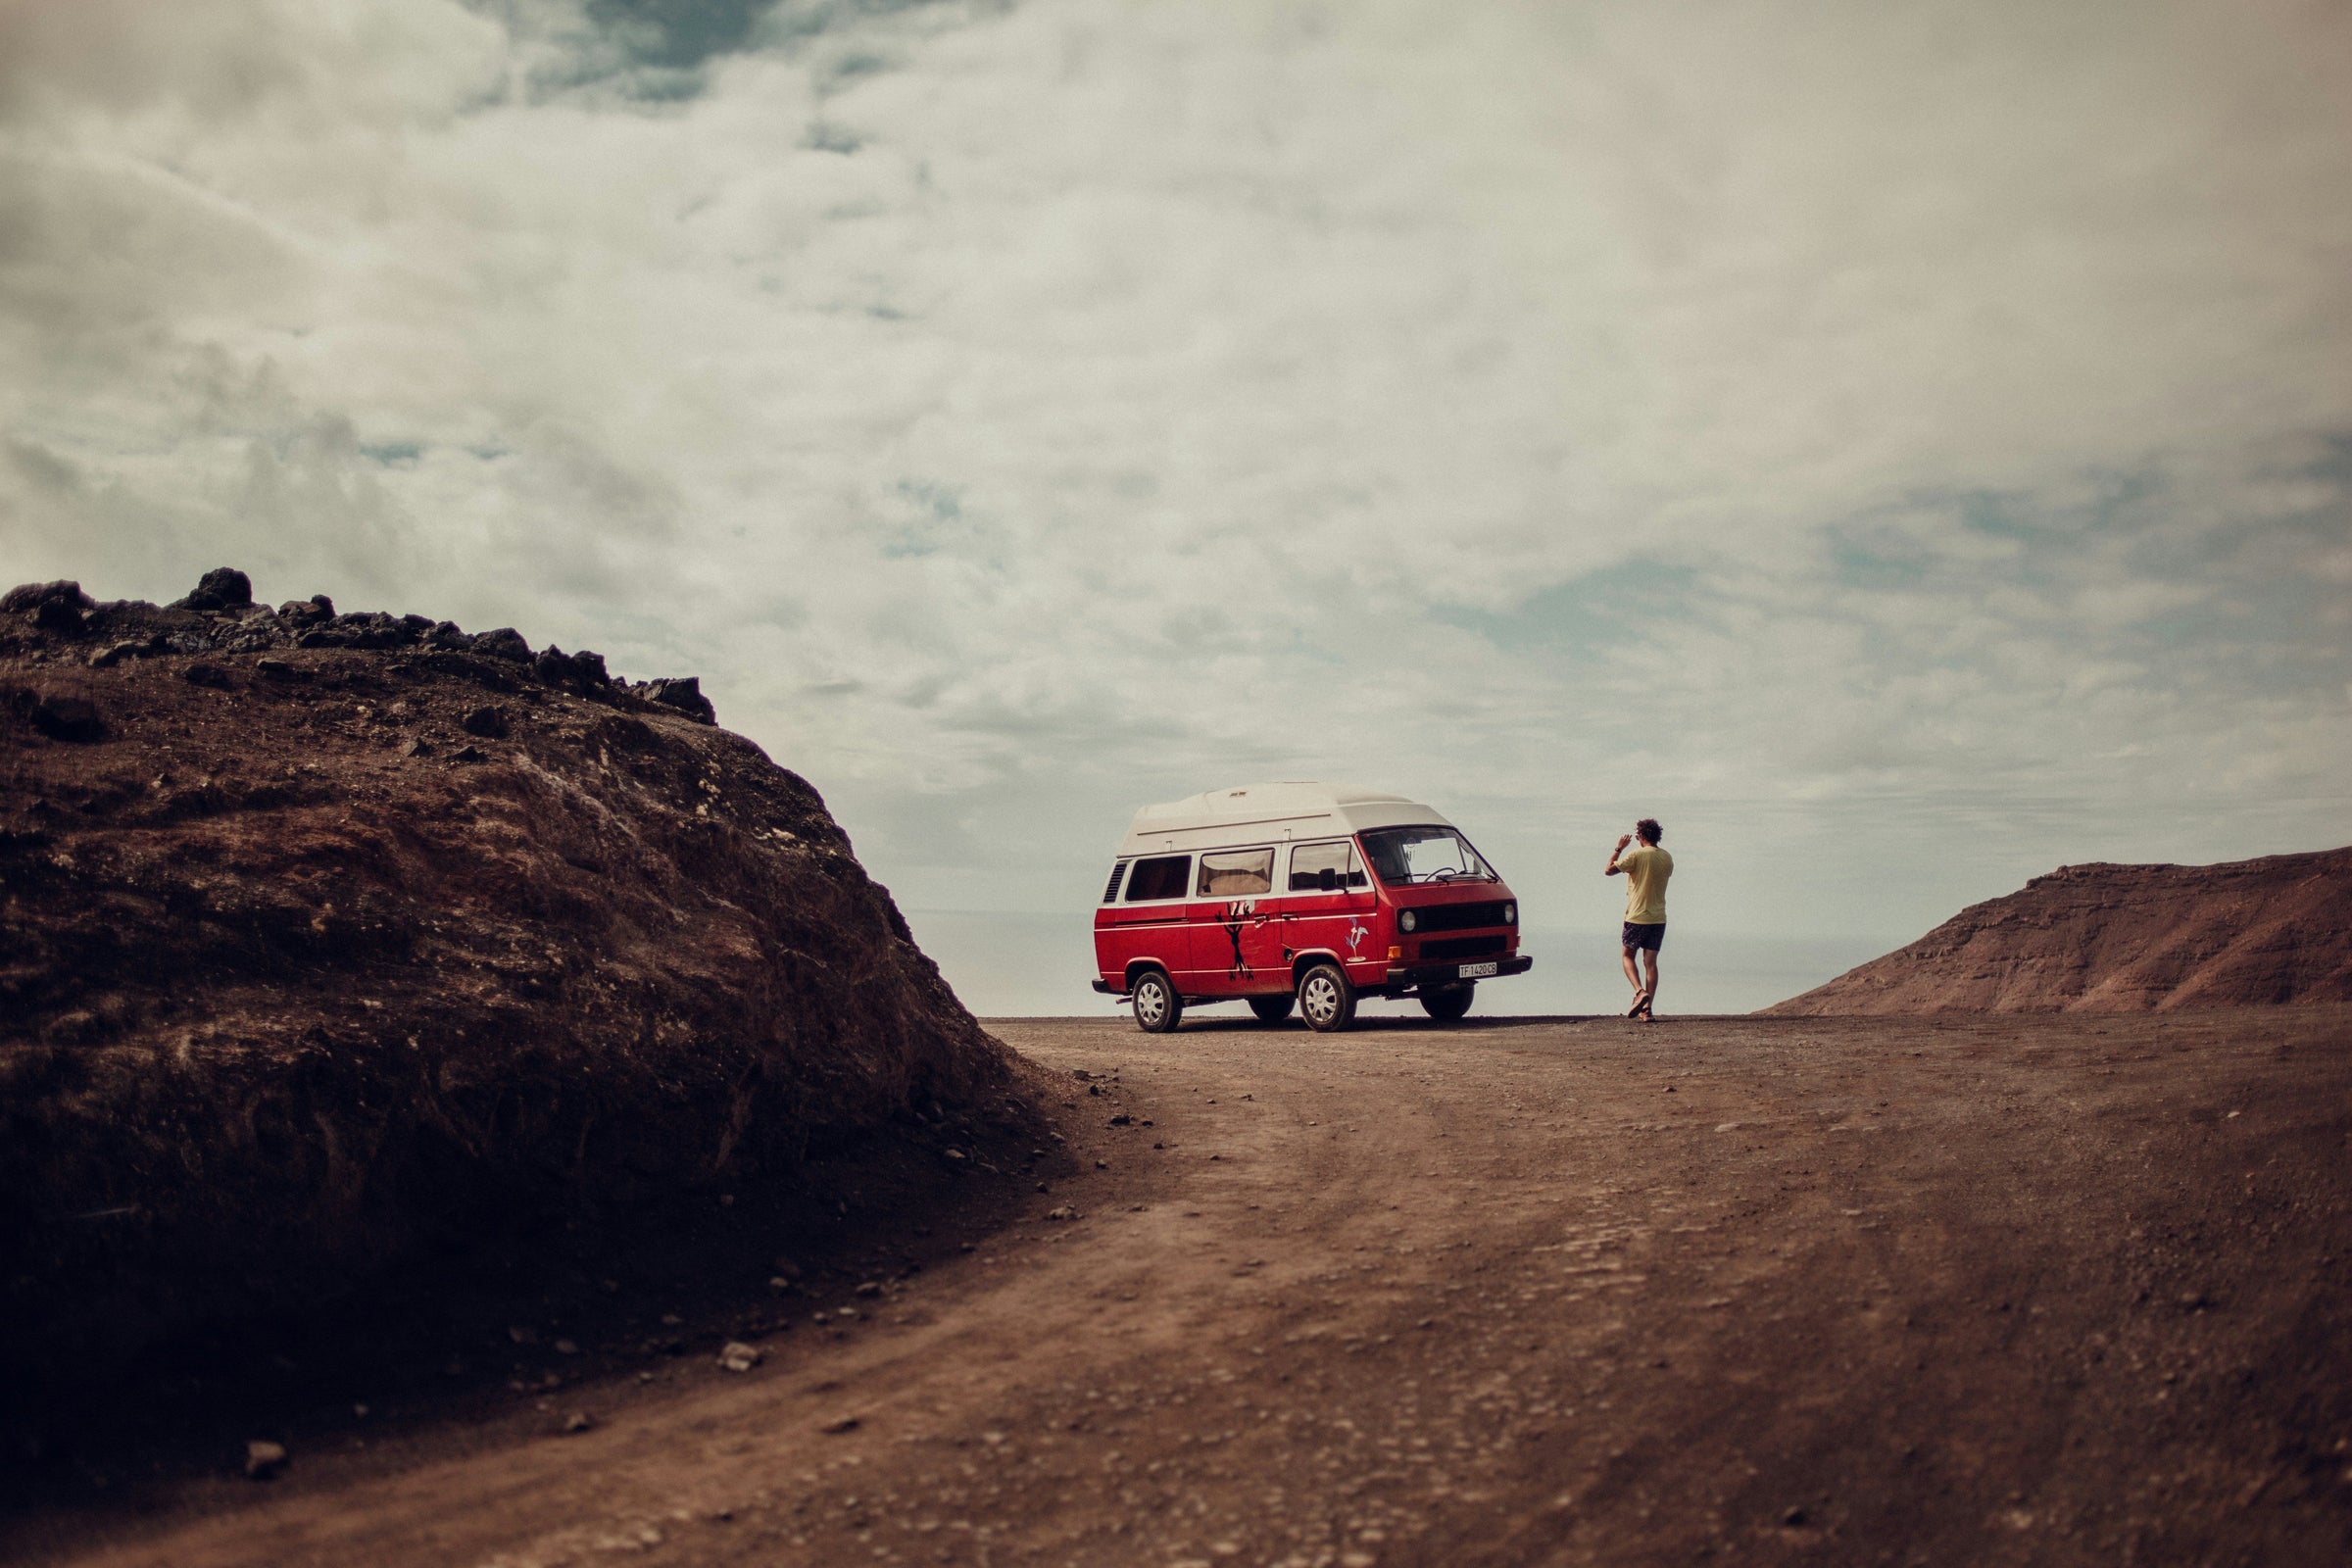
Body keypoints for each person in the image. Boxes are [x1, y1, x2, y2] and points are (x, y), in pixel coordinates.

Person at [1604, 818, 1672, 1019]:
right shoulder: (1667, 858)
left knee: (1627, 956)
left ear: (1641, 836)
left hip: (1637, 916)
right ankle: (1647, 1009)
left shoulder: (1636, 855)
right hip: (1658, 917)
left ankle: (1639, 991)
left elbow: (1608, 870)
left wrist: (1619, 848)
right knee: (1650, 963)